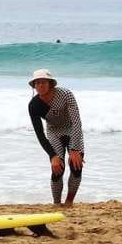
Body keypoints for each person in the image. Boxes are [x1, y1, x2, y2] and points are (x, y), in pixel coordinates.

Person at [28, 69, 85, 206]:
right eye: (37, 83)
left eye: (43, 82)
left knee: (76, 166)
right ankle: (56, 203)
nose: (40, 85)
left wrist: (75, 149)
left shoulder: (66, 94)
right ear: (34, 86)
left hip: (72, 129)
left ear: (50, 84)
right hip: (54, 132)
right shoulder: (34, 105)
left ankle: (69, 201)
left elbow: (76, 121)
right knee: (58, 168)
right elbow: (40, 134)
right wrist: (52, 155)